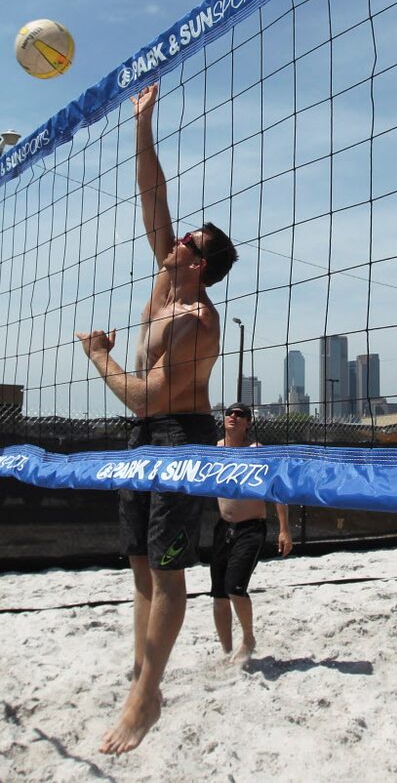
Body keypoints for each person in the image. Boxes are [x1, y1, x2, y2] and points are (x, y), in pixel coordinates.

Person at [76, 82, 237, 755]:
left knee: (169, 572)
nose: (176, 235)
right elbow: (153, 194)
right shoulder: (163, 280)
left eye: (188, 239)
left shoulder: (194, 318)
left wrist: (97, 359)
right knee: (141, 567)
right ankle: (144, 673)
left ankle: (148, 696)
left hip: (175, 436)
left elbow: (144, 399)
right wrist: (143, 125)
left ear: (197, 263)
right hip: (147, 435)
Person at [212, 403, 293, 665]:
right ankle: (226, 652)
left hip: (251, 527)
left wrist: (284, 529)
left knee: (235, 587)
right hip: (223, 527)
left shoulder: (257, 452)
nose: (233, 416)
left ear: (248, 423)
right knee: (219, 595)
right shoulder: (216, 449)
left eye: (241, 414)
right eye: (230, 413)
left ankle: (248, 638)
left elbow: (278, 489)